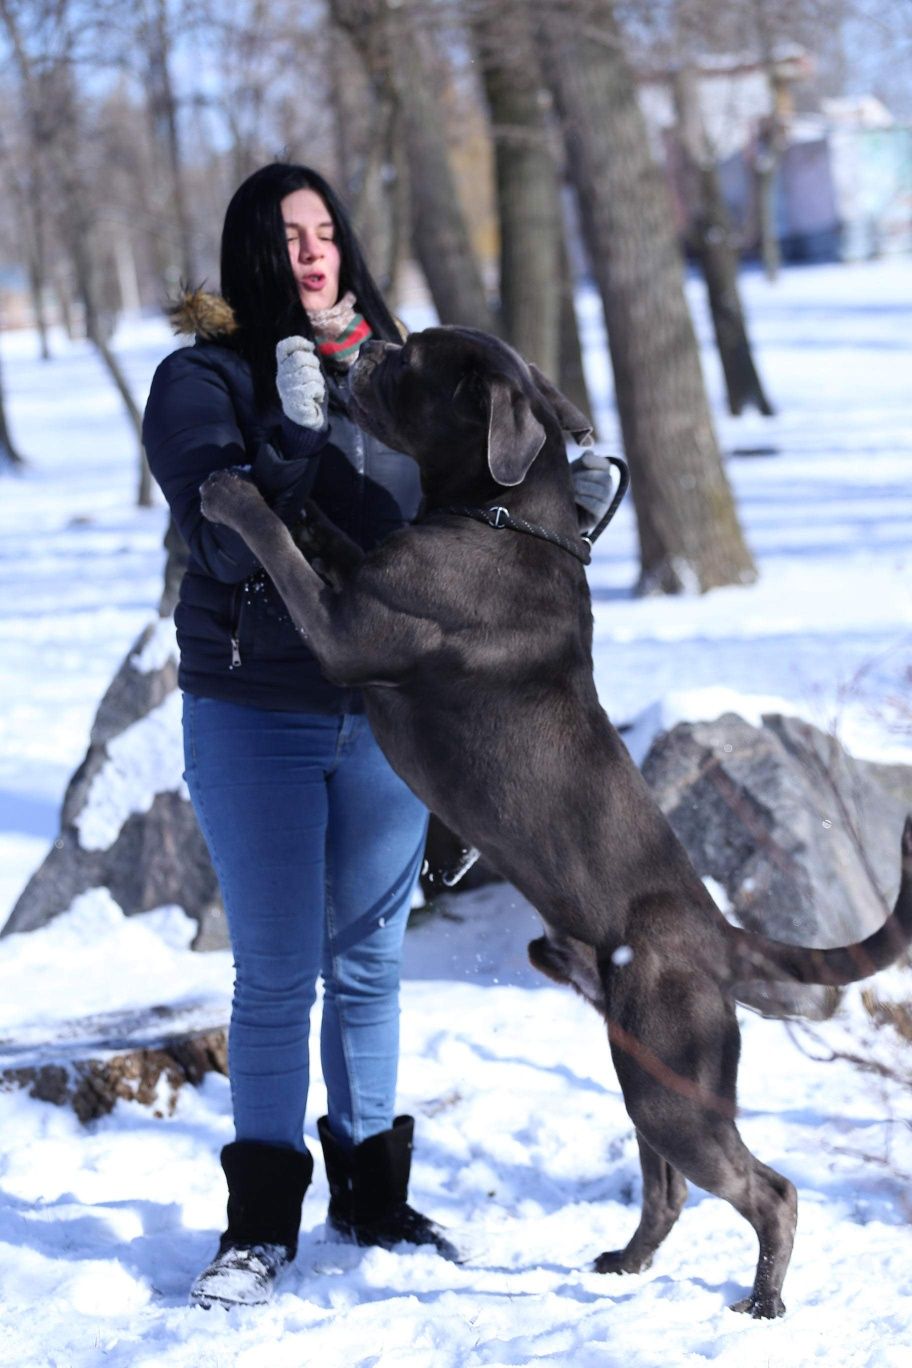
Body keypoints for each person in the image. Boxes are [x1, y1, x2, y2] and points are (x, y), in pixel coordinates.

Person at [143, 162, 618, 1309]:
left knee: (370, 962)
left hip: (393, 713)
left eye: (326, 231)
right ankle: (258, 1224)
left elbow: (465, 516)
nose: (313, 251)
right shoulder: (200, 378)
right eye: (288, 235)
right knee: (276, 972)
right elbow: (220, 541)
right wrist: (297, 434)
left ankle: (374, 1196)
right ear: (252, 252)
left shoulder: (400, 369)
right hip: (257, 705)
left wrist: (563, 512)